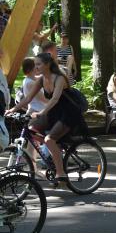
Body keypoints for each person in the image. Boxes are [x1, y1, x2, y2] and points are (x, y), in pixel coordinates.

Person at [6, 53, 87, 188]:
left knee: (49, 139)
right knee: (31, 131)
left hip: (68, 113)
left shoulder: (59, 78)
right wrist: (12, 110)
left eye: (39, 64)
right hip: (53, 112)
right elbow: (27, 99)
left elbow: (55, 99)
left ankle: (61, 173)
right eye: (35, 65)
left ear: (47, 64)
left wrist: (42, 112)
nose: (36, 67)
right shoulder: (41, 79)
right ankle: (53, 151)